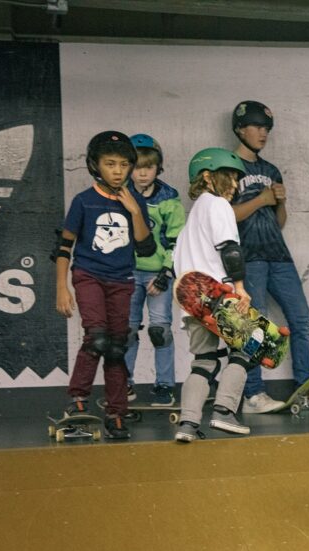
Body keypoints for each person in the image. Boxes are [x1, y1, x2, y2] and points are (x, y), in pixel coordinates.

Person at [229, 100, 309, 413]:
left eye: (267, 128)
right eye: (257, 127)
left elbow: (279, 223)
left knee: (302, 318)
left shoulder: (271, 170)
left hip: (278, 254)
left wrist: (279, 203)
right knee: (255, 325)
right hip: (247, 257)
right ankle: (253, 394)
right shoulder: (228, 168)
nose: (263, 133)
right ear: (240, 128)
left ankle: (306, 389)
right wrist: (262, 199)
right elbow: (225, 217)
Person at [52, 131, 155, 439]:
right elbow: (63, 247)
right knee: (96, 336)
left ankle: (116, 412)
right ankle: (78, 401)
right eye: (110, 164)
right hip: (89, 275)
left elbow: (146, 248)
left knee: (116, 346)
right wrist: (61, 287)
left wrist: (135, 210)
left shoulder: (134, 200)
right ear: (95, 165)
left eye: (124, 165)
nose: (117, 171)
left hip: (122, 281)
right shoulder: (84, 201)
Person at [171, 148, 256, 442]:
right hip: (217, 292)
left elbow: (174, 267)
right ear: (207, 177)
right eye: (228, 176)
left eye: (236, 178)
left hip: (190, 299)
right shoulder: (218, 206)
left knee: (204, 361)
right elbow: (230, 249)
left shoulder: (189, 223)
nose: (234, 184)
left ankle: (188, 425)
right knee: (246, 348)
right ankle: (224, 411)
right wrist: (241, 288)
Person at [123, 133, 186, 407]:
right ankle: (123, 385)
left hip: (156, 273)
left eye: (148, 167)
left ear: (158, 167)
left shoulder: (169, 198)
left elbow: (177, 239)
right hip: (126, 272)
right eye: (137, 167)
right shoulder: (119, 195)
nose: (142, 173)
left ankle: (164, 386)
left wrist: (165, 273)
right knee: (125, 331)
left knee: (160, 331)